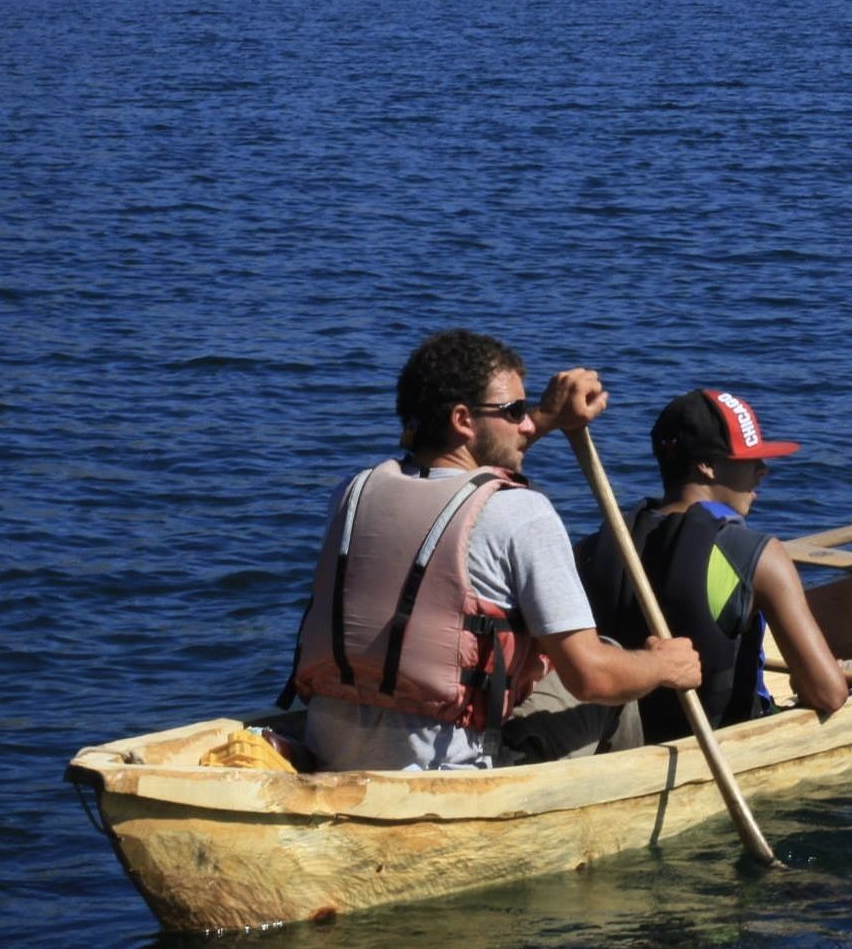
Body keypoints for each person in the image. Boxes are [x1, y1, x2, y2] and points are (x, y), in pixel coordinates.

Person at [280, 329, 701, 772]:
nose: (525, 424)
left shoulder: (353, 493)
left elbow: (460, 481)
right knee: (614, 664)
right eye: (515, 411)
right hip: (455, 771)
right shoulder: (521, 513)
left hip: (331, 754)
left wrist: (547, 418)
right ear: (462, 420)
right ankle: (623, 810)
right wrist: (663, 666)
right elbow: (591, 677)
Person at [575, 389, 848, 744]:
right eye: (750, 459)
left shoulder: (595, 547)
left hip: (622, 742)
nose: (762, 470)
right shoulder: (761, 555)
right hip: (719, 742)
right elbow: (828, 695)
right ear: (707, 466)